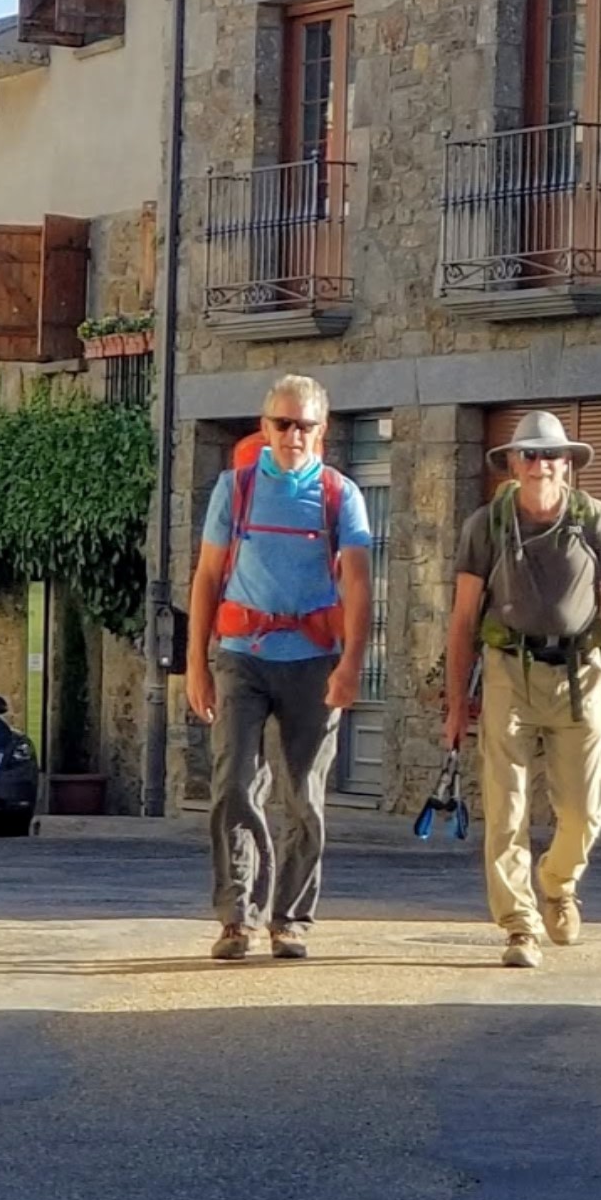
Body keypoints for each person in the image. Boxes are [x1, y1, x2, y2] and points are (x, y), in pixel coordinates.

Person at [442, 411, 601, 969]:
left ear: (567, 463)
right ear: (510, 463)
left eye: (549, 455)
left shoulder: (593, 518)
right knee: (505, 807)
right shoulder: (486, 525)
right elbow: (462, 618)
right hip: (509, 668)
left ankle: (558, 882)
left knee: (583, 812)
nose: (539, 464)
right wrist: (457, 703)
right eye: (527, 455)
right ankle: (519, 925)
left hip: (581, 673)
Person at [184, 375, 372, 961]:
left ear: (323, 430)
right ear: (265, 428)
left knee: (304, 798)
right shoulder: (234, 488)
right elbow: (208, 578)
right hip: (243, 658)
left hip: (314, 663)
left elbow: (361, 586)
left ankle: (290, 919)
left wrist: (351, 666)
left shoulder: (343, 495)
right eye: (283, 423)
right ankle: (237, 917)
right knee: (234, 785)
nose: (294, 435)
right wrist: (196, 665)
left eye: (305, 425)